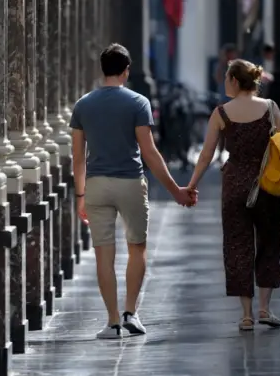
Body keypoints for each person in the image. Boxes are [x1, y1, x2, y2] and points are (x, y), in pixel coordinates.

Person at [69, 43, 197, 339]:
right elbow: (150, 152)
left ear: (103, 70)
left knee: (104, 254)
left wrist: (80, 195)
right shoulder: (138, 102)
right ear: (126, 71)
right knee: (136, 247)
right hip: (130, 183)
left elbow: (77, 157)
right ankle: (130, 313)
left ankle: (112, 322)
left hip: (97, 186)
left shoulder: (83, 105)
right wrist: (176, 190)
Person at [187, 59, 280, 331]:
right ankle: (265, 308)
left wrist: (192, 184)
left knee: (237, 246)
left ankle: (246, 315)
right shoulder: (270, 108)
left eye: (226, 77)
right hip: (266, 184)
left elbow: (206, 154)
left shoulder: (221, 113)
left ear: (234, 80)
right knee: (269, 242)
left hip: (234, 186)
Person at [214, 44, 239, 163]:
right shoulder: (221, 66)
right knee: (222, 129)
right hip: (224, 102)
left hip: (234, 102)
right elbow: (218, 78)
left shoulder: (238, 67)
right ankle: (220, 153)